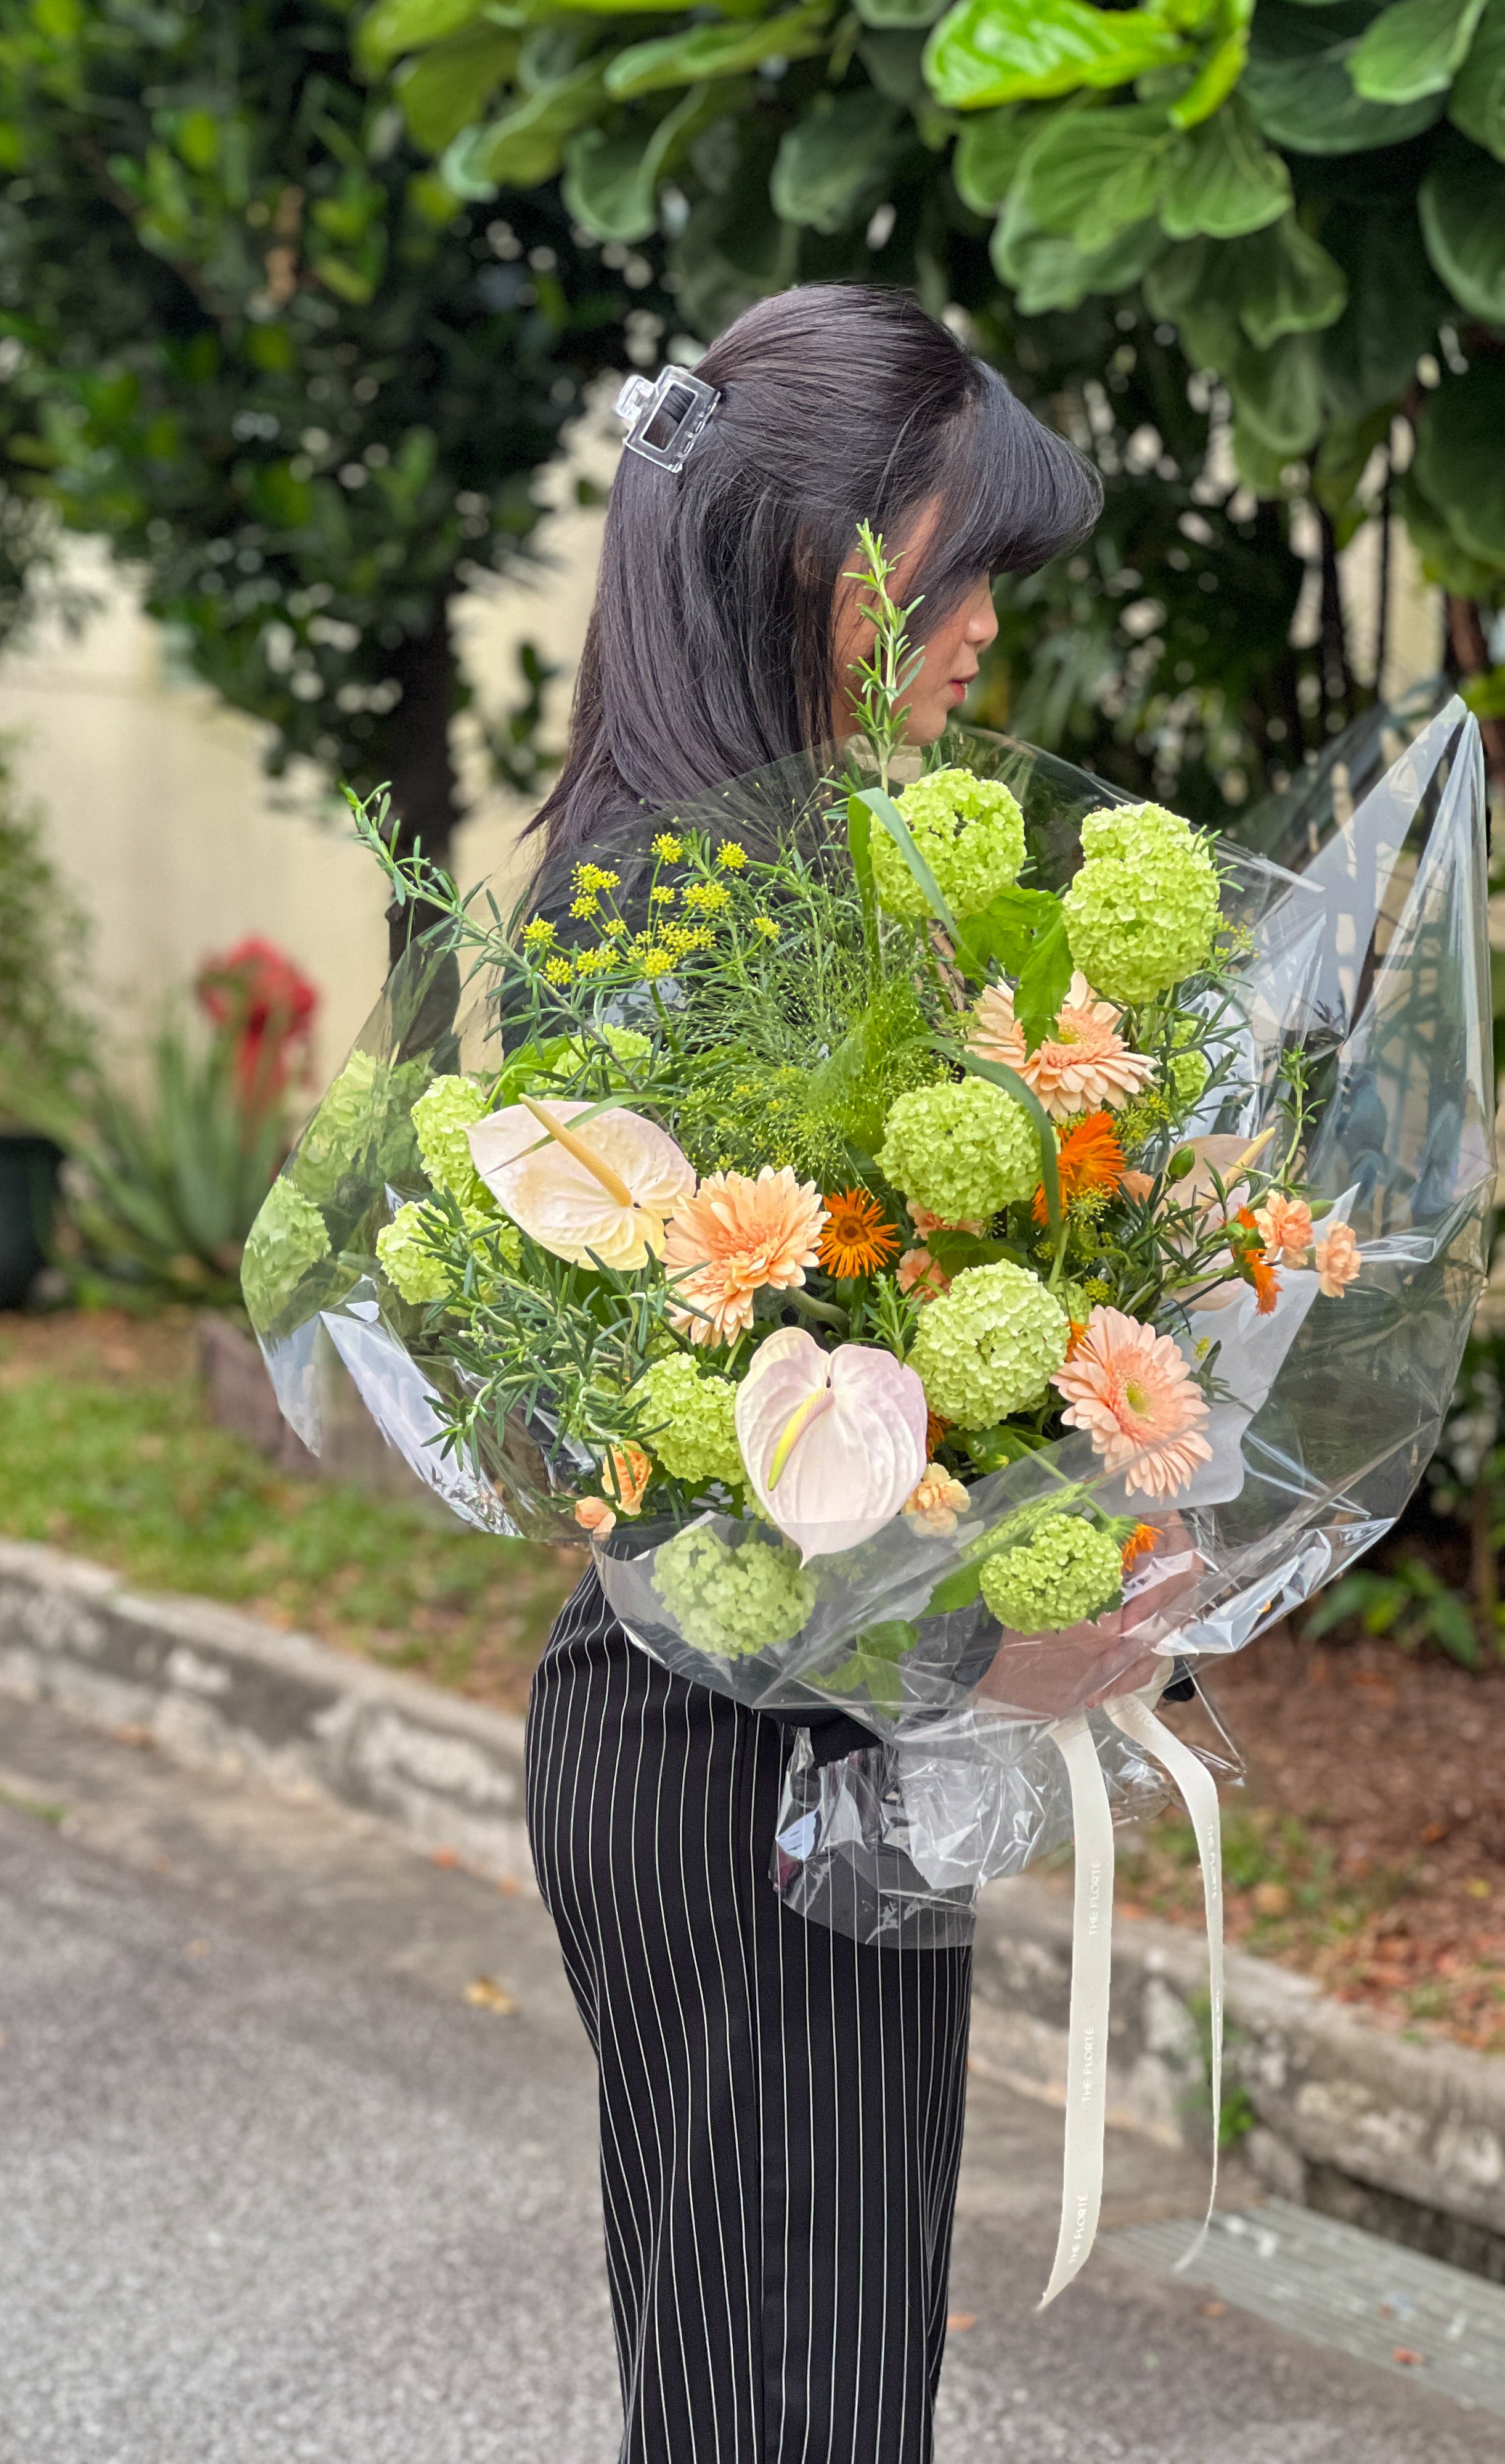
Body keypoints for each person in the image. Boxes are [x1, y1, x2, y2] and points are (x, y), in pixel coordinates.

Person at [521, 282, 1103, 2464]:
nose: (983, 644)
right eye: (960, 580)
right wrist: (987, 1624)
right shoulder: (660, 916)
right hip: (732, 1752)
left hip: (799, 1737)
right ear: (811, 556)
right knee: (781, 2396)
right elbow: (680, 1444)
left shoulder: (801, 865)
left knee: (806, 2381)